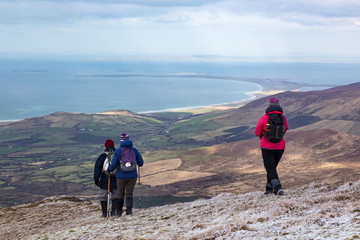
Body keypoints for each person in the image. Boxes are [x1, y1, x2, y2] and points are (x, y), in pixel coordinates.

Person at [255, 97, 288, 195]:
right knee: (272, 168)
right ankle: (269, 189)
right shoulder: (283, 118)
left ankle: (278, 188)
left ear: (269, 106)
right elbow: (285, 128)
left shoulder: (264, 118)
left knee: (270, 168)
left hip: (266, 147)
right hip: (280, 147)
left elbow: (257, 132)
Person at [108, 132, 144, 216]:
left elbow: (113, 165)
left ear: (121, 141)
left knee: (120, 193)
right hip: (133, 176)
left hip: (121, 176)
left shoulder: (118, 151)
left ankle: (119, 212)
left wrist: (109, 170)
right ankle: (129, 211)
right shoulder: (134, 150)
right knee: (129, 193)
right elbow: (141, 163)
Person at [94, 139, 119, 217]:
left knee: (103, 196)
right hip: (116, 179)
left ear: (105, 146)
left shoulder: (102, 156)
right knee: (116, 195)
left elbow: (97, 168)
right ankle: (114, 212)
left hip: (105, 180)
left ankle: (105, 213)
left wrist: (96, 179)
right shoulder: (117, 155)